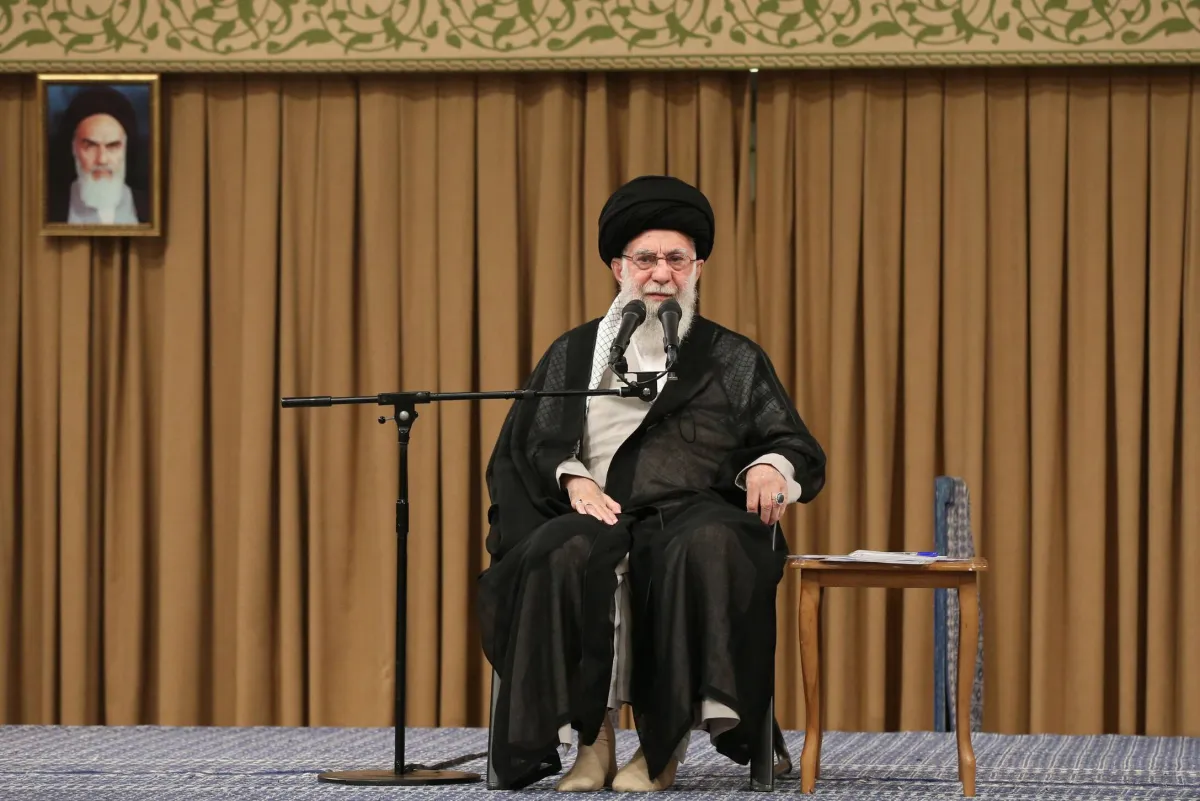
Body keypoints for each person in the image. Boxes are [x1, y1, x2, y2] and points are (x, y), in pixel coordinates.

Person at [478, 175, 826, 792]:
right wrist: (573, 478)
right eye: (645, 259)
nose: (661, 274)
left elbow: (792, 440)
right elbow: (529, 441)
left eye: (676, 260)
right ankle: (593, 743)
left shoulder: (731, 357)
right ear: (619, 268)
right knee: (561, 550)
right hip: (597, 513)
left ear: (697, 269)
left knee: (702, 547)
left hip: (695, 512)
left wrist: (771, 466)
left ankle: (662, 748)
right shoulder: (575, 352)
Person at [46, 86, 148, 225]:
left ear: (126, 149)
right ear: (73, 148)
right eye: (90, 146)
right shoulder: (47, 210)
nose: (102, 159)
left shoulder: (152, 209)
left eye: (112, 146)